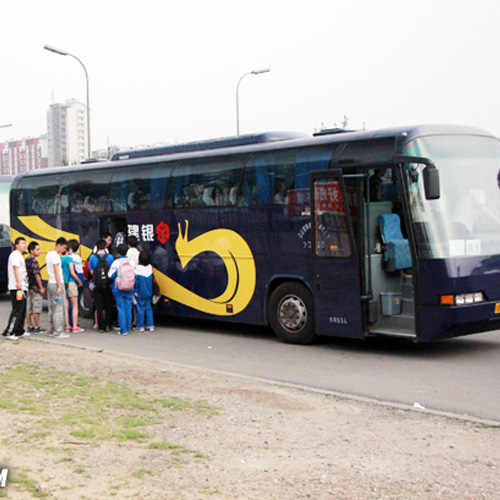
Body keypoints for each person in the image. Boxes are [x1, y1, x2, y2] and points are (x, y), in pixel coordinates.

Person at [3, 237, 29, 340]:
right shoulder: (15, 255)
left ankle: (19, 330)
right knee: (17, 309)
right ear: (16, 245)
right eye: (22, 243)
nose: (24, 245)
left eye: (24, 243)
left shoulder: (20, 256)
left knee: (22, 309)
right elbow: (15, 268)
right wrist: (18, 282)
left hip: (22, 285)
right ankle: (10, 331)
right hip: (16, 286)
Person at [108, 243, 135, 335]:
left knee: (121, 308)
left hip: (118, 287)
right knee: (128, 307)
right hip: (130, 287)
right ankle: (128, 327)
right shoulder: (131, 262)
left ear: (118, 253)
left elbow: (110, 275)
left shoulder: (116, 263)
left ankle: (123, 330)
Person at [89, 238, 115, 332]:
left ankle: (101, 326)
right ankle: (109, 324)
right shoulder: (110, 257)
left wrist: (97, 277)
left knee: (99, 305)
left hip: (97, 284)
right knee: (108, 305)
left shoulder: (92, 257)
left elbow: (91, 271)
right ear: (105, 246)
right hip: (108, 284)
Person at [46, 237, 70, 338]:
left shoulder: (48, 254)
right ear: (59, 245)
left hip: (50, 283)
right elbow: (57, 271)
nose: (64, 251)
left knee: (52, 307)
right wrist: (60, 286)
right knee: (58, 308)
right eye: (64, 248)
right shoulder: (55, 256)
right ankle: (58, 331)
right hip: (56, 283)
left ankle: (51, 329)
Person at [25, 241, 46, 333]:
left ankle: (30, 325)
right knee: (36, 308)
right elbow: (36, 274)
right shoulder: (34, 261)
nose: (39, 251)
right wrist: (41, 287)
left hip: (28, 287)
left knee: (28, 308)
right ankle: (37, 326)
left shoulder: (26, 260)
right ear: (31, 251)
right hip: (35, 287)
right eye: (37, 249)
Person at [66, 241, 85, 332]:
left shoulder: (65, 258)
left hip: (65, 282)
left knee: (67, 304)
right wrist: (81, 282)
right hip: (74, 282)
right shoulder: (76, 258)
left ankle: (68, 324)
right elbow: (79, 272)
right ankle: (74, 324)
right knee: (74, 304)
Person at [134, 251, 155, 332]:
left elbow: (135, 282)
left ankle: (140, 326)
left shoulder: (137, 269)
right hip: (149, 292)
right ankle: (150, 325)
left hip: (140, 293)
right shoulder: (150, 267)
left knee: (140, 309)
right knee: (148, 309)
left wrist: (134, 291)